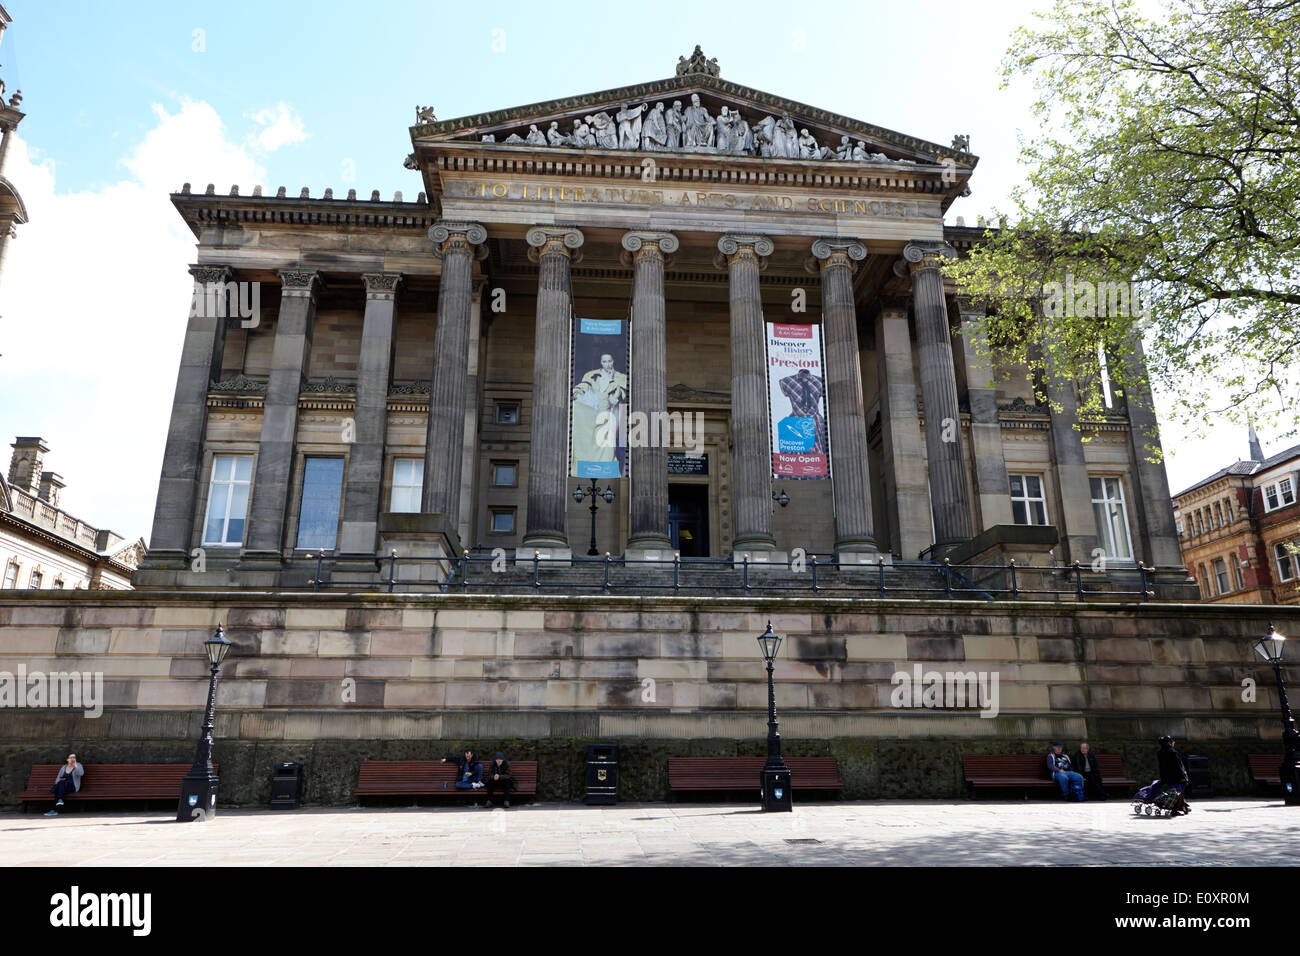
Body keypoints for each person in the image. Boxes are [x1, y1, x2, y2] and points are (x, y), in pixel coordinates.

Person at [1156, 735, 1191, 814]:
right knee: (1178, 792)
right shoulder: (1172, 752)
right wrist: (1182, 777)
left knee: (1175, 792)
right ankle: (1176, 809)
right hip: (1176, 777)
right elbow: (1178, 766)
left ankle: (1182, 806)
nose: (1174, 743)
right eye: (1172, 741)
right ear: (1169, 742)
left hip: (1166, 777)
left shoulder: (1160, 753)